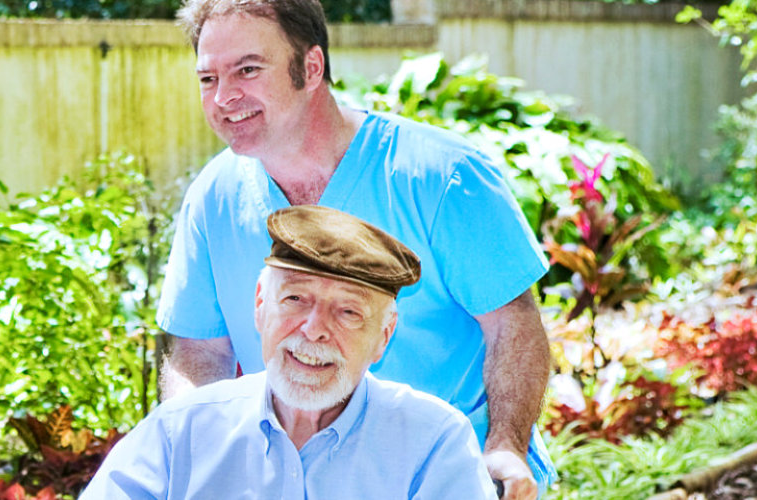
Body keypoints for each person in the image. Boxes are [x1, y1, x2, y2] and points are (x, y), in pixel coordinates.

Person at [155, 0, 555, 497]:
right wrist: (202, 453)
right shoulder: (212, 198)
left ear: (311, 66)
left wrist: (505, 446)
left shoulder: (442, 176)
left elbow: (512, 326)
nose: (224, 97)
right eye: (207, 79)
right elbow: (198, 350)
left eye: (248, 70)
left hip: (446, 479)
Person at [84, 206, 494, 499]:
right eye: (295, 298)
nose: (314, 329)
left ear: (383, 336)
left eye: (348, 311)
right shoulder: (183, 430)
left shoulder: (433, 441)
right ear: (260, 305)